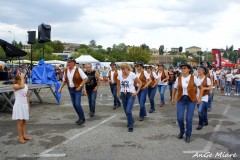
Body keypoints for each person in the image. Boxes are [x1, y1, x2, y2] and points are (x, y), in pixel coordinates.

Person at [171, 63, 203, 143]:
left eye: (185, 68)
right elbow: (175, 89)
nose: (183, 69)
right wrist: (172, 98)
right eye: (182, 68)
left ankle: (188, 135)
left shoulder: (194, 77)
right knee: (180, 118)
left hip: (191, 99)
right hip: (181, 99)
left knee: (189, 119)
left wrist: (199, 98)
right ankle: (182, 132)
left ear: (189, 69)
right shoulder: (178, 78)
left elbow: (201, 88)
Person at [58, 57, 88, 125]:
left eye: (69, 62)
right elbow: (64, 80)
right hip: (70, 89)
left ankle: (82, 118)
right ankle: (80, 117)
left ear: (73, 63)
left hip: (77, 89)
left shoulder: (78, 70)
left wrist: (80, 86)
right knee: (74, 105)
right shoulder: (66, 70)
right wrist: (60, 88)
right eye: (67, 62)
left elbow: (85, 78)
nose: (68, 63)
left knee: (77, 104)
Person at [117, 63, 142, 132]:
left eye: (124, 69)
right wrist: (118, 93)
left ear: (127, 68)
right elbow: (118, 85)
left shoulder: (132, 75)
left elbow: (140, 83)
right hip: (123, 94)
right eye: (122, 69)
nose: (123, 70)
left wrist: (137, 92)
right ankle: (132, 120)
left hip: (131, 94)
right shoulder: (120, 75)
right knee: (125, 110)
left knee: (128, 110)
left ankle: (130, 125)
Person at [12, 73, 32, 144]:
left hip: (24, 105)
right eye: (20, 79)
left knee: (24, 121)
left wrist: (28, 106)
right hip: (18, 106)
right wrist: (22, 77)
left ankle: (24, 135)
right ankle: (20, 137)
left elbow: (27, 96)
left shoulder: (26, 86)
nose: (22, 80)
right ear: (17, 80)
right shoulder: (15, 86)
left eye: (22, 79)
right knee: (20, 122)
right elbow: (22, 86)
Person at [196, 66, 212, 130]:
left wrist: (204, 88)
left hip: (204, 97)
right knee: (203, 111)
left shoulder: (207, 79)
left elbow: (210, 88)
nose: (199, 70)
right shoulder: (196, 78)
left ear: (204, 71)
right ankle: (206, 121)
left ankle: (200, 123)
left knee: (200, 111)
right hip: (197, 97)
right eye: (198, 69)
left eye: (200, 69)